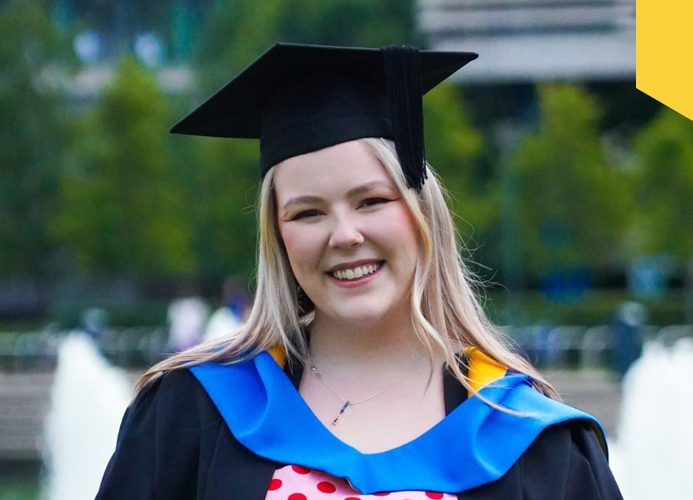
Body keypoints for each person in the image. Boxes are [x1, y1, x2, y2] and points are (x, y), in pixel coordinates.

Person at [96, 43, 623, 499]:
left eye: (371, 201)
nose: (344, 235)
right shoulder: (193, 413)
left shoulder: (529, 437)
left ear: (422, 213)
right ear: (277, 235)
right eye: (307, 212)